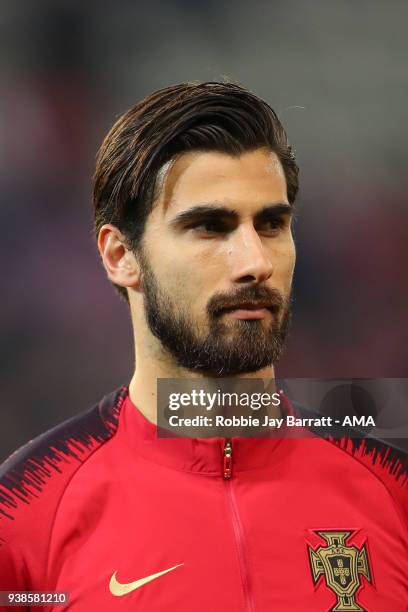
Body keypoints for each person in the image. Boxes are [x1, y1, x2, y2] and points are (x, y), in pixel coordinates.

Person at [0, 82, 406, 611]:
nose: (254, 261)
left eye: (272, 224)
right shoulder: (25, 513)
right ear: (121, 255)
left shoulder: (392, 493)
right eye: (209, 227)